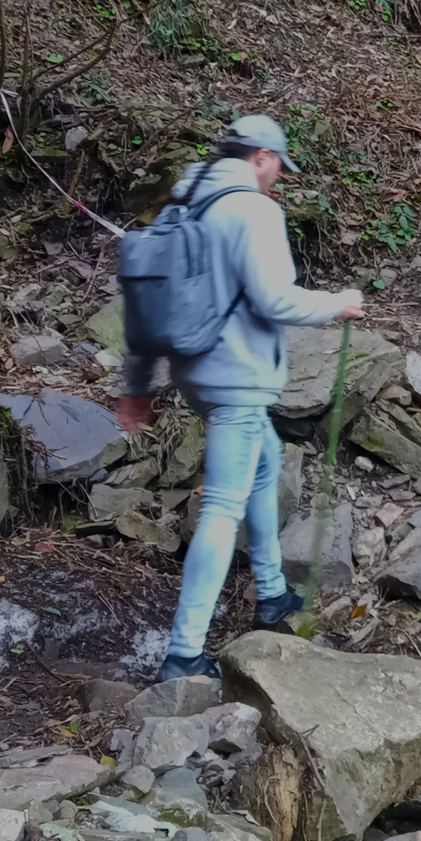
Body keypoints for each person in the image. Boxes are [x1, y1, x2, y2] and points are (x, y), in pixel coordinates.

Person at [116, 114, 363, 682]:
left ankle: (273, 595)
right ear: (260, 156)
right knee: (224, 504)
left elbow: (147, 298)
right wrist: (336, 303)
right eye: (278, 165)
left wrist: (138, 385)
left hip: (193, 370)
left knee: (266, 460)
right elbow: (275, 300)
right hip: (237, 377)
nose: (279, 178)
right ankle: (183, 653)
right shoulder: (253, 208)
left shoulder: (186, 202)